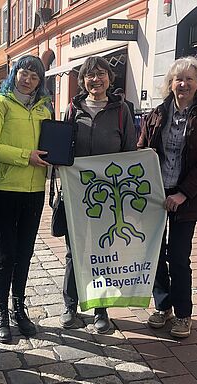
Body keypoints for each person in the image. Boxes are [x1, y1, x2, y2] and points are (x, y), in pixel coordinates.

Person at [137, 56, 197, 338]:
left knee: (179, 255)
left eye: (189, 79)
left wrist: (184, 193)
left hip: (188, 197)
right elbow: (142, 150)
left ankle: (184, 314)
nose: (182, 84)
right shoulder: (158, 113)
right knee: (156, 253)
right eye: (177, 79)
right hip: (156, 197)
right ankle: (163, 306)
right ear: (170, 83)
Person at [59, 57, 137, 333]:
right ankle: (70, 304)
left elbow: (129, 151)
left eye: (101, 74)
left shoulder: (121, 110)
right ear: (82, 81)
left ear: (109, 78)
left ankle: (101, 308)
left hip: (108, 195)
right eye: (90, 75)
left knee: (103, 251)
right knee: (74, 252)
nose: (96, 80)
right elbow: (63, 148)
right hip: (77, 192)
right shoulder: (72, 108)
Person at [0, 55, 52, 343]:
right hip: (5, 190)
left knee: (24, 253)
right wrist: (27, 157)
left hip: (34, 191)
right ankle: (1, 310)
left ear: (40, 82)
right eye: (24, 73)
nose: (28, 79)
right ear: (14, 74)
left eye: (34, 77)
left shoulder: (44, 110)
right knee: (6, 254)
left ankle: (18, 308)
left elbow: (50, 148)